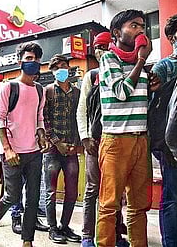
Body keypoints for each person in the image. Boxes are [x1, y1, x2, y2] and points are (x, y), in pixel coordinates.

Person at [0, 42, 50, 247]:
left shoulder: (39, 89)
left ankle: (27, 240)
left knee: (33, 197)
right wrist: (8, 148)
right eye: (29, 58)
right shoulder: (9, 87)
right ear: (20, 61)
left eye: (36, 59)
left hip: (34, 152)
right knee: (12, 195)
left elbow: (39, 117)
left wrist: (41, 134)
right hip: (12, 152)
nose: (33, 62)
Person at [97, 10, 153, 247]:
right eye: (134, 26)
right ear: (117, 33)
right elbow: (121, 92)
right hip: (115, 141)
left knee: (139, 206)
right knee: (109, 205)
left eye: (142, 26)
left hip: (141, 139)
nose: (140, 30)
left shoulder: (141, 67)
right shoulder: (108, 59)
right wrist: (141, 60)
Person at [77, 32, 129, 247]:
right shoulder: (91, 76)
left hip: (116, 139)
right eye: (98, 47)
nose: (101, 51)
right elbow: (82, 109)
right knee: (92, 189)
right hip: (95, 140)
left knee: (114, 189)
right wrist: (85, 136)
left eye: (105, 46)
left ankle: (115, 234)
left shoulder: (122, 72)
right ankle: (87, 235)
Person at [151, 13, 177, 247]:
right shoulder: (164, 66)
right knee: (173, 195)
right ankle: (170, 241)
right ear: (170, 38)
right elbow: (156, 110)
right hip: (170, 143)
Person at [43, 54, 81, 244]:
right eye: (56, 67)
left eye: (63, 65)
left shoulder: (77, 93)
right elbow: (44, 120)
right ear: (52, 71)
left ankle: (65, 226)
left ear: (69, 67)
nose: (61, 69)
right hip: (52, 150)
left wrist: (75, 143)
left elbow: (79, 118)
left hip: (72, 150)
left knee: (72, 191)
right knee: (50, 191)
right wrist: (57, 142)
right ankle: (52, 228)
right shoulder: (48, 91)